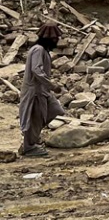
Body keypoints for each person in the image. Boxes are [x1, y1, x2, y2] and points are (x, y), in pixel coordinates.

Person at [19, 22, 66, 157]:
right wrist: (52, 85)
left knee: (55, 110)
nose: (57, 41)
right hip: (34, 91)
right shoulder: (38, 50)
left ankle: (33, 138)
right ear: (49, 39)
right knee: (34, 117)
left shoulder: (43, 51)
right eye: (55, 39)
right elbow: (36, 70)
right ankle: (29, 147)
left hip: (42, 90)